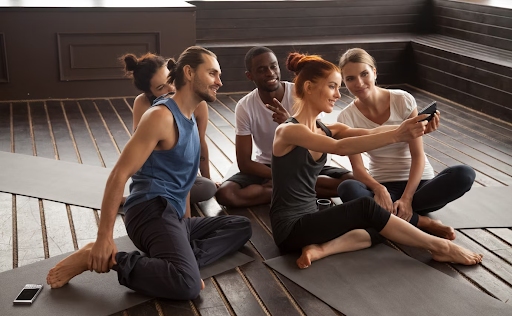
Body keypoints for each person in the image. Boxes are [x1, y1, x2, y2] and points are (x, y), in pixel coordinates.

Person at [47, 47, 252, 300]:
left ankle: (179, 263)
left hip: (173, 217)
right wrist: (104, 239)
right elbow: (119, 174)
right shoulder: (160, 116)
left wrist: (183, 227)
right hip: (149, 211)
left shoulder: (190, 115)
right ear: (189, 73)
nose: (219, 82)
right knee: (187, 286)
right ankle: (105, 259)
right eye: (212, 74)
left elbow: (184, 182)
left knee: (240, 226)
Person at [270, 52, 482, 269]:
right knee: (366, 208)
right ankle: (441, 247)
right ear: (309, 88)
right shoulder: (288, 131)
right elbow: (340, 148)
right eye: (333, 86)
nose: (337, 95)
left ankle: (320, 250)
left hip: (312, 219)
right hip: (290, 229)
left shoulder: (326, 129)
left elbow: (373, 131)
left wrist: (415, 126)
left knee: (383, 224)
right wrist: (398, 135)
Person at [336, 48, 476, 240]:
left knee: (465, 174)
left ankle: (387, 217)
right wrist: (379, 189)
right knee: (347, 188)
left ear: (374, 72)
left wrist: (408, 198)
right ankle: (422, 222)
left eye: (364, 74)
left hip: (421, 187)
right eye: (350, 78)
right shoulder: (346, 117)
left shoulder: (402, 100)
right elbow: (358, 170)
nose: (359, 83)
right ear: (344, 82)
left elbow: (418, 156)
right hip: (385, 189)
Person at [215, 46, 352, 207]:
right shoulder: (245, 106)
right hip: (268, 168)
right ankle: (293, 188)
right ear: (250, 75)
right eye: (262, 69)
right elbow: (244, 163)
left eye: (273, 66)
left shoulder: (301, 93)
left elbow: (318, 143)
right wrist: (279, 175)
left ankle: (283, 189)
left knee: (351, 181)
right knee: (226, 194)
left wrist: (290, 123)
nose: (270, 73)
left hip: (304, 165)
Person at [122, 53, 217, 204]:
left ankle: (159, 198)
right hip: (154, 176)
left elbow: (201, 142)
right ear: (149, 92)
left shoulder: (197, 103)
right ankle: (142, 197)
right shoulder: (144, 104)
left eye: (169, 80)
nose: (171, 88)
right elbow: (139, 153)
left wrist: (207, 177)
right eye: (161, 88)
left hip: (179, 176)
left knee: (208, 187)